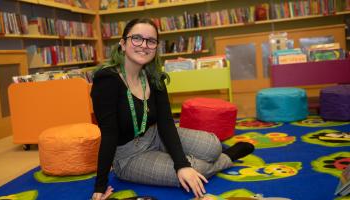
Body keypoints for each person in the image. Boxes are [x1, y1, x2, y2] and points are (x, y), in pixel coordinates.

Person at [90, 18, 254, 200]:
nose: (144, 45)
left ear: (155, 47)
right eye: (136, 38)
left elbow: (166, 122)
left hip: (155, 134)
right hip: (129, 156)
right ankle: (227, 158)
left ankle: (208, 156)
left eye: (151, 41)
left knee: (213, 145)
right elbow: (109, 134)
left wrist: (181, 164)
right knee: (196, 170)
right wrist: (100, 186)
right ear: (123, 43)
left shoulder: (154, 76)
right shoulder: (106, 80)